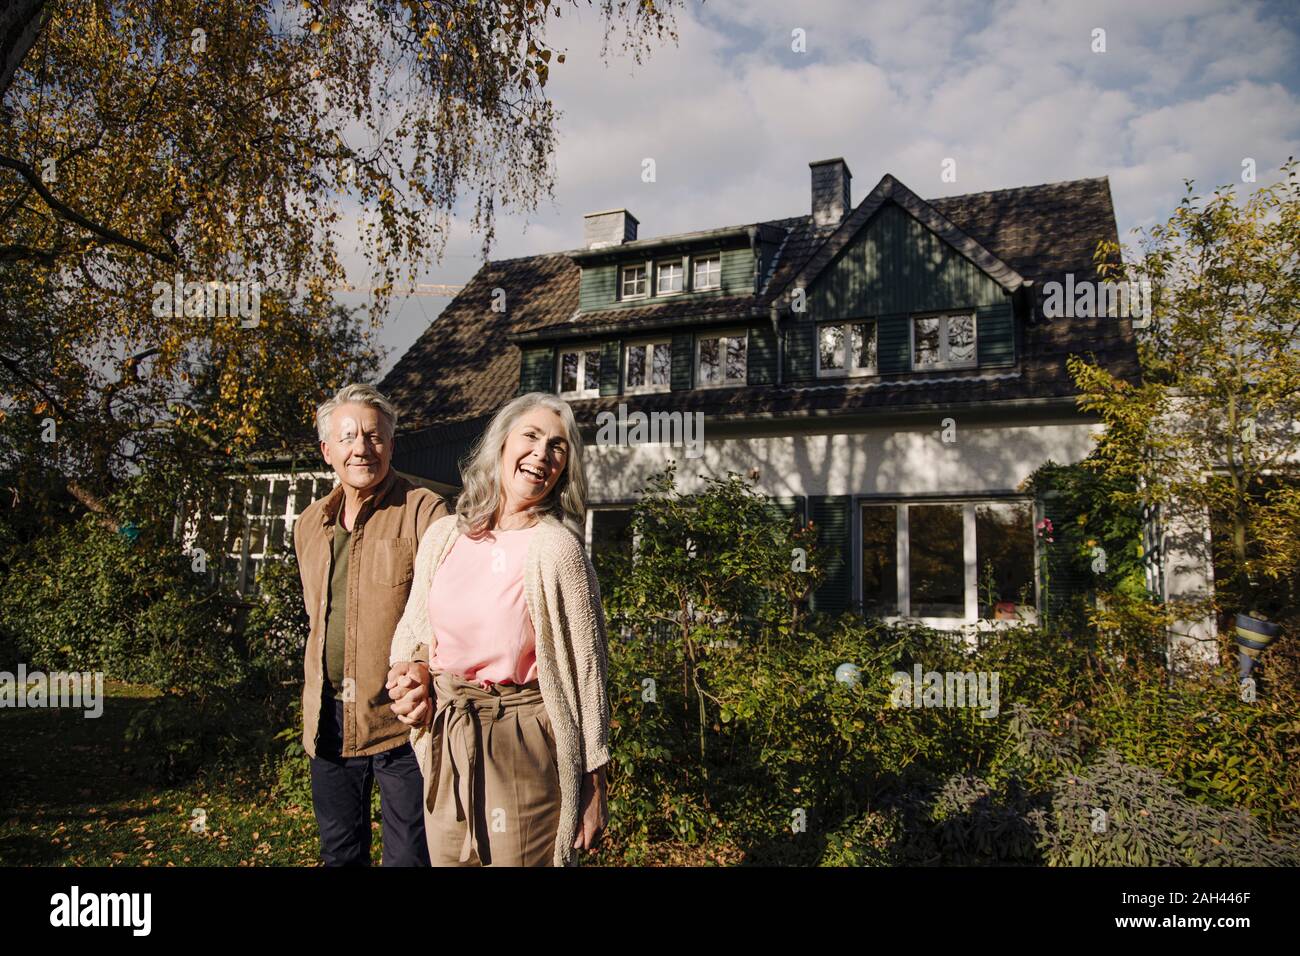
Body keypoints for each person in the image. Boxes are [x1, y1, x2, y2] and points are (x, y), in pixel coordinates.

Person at [386, 392, 610, 866]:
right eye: (531, 436)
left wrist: (594, 780)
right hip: (449, 734)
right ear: (501, 444)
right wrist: (411, 672)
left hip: (524, 742)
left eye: (558, 447)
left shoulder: (557, 549)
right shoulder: (445, 536)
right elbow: (413, 631)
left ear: (564, 468)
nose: (542, 454)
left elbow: (589, 673)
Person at [293, 383, 449, 865]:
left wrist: (421, 670)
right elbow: (318, 618)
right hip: (329, 720)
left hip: (403, 720)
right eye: (348, 437)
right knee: (339, 853)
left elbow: (444, 612)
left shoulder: (426, 511)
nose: (362, 447)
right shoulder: (308, 524)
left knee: (409, 857)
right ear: (327, 451)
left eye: (375, 436)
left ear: (391, 444)